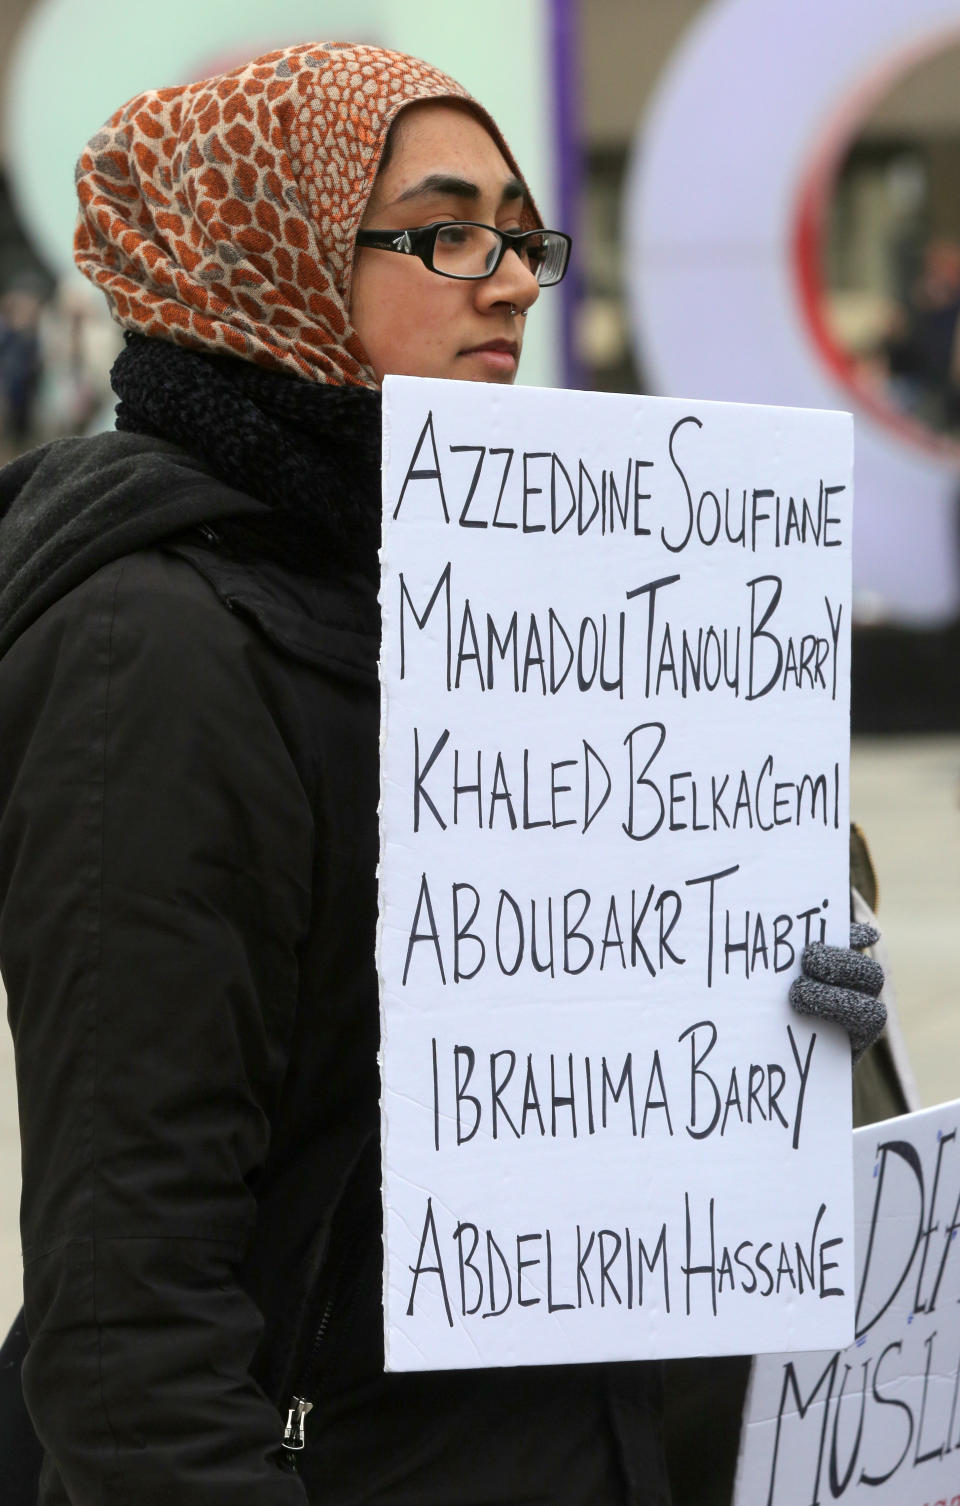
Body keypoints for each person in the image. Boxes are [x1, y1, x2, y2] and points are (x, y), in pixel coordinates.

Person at [0, 41, 886, 1506]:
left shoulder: (532, 587)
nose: (511, 278)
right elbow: (129, 1317)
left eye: (523, 235)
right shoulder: (151, 649)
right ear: (267, 249)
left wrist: (776, 984)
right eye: (443, 228)